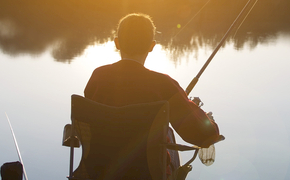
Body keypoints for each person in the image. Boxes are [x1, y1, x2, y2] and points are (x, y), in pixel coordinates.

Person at [85, 13, 222, 150]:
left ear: (117, 43)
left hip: (96, 169)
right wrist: (205, 118)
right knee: (167, 134)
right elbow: (205, 136)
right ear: (152, 46)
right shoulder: (164, 85)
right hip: (147, 171)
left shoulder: (98, 76)